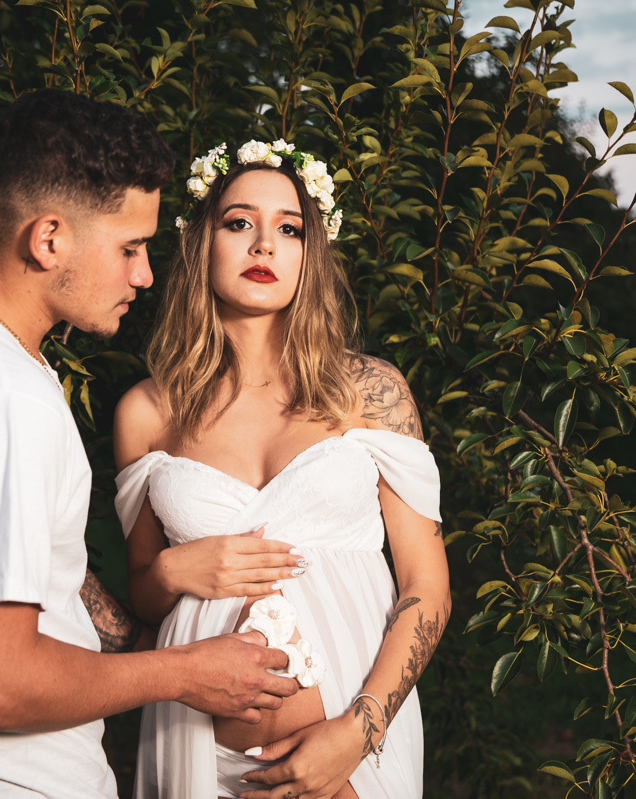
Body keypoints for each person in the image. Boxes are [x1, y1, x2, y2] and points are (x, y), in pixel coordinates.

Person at [0, 91, 300, 799]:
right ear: (48, 239)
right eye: (129, 247)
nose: (145, 275)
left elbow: (43, 577)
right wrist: (187, 672)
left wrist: (161, 623)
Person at [113, 140, 452, 798]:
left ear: (309, 252)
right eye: (240, 222)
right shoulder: (148, 411)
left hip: (347, 745)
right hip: (194, 743)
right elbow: (144, 596)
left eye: (289, 228)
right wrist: (170, 571)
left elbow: (427, 585)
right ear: (200, 242)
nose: (264, 245)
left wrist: (360, 729)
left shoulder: (369, 390)